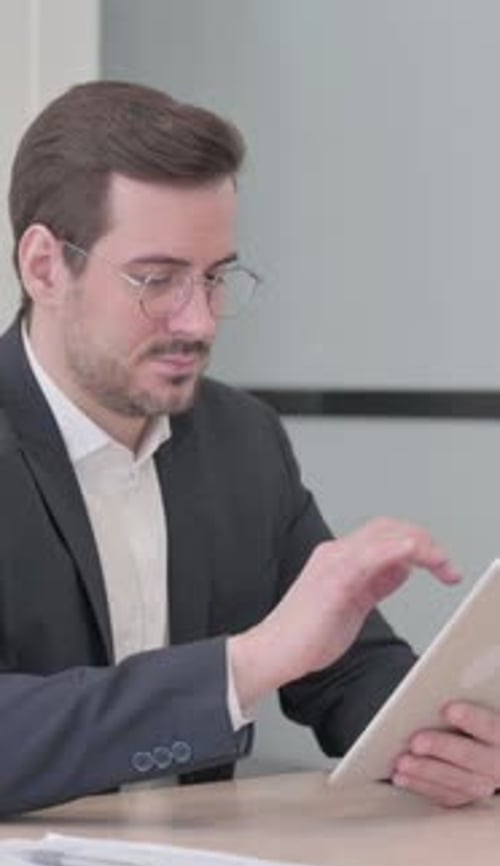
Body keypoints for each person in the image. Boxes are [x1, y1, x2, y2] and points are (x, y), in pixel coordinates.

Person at [0, 80, 497, 818]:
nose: (199, 321)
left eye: (216, 277)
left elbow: (343, 668)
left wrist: (449, 738)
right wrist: (249, 661)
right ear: (45, 267)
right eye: (158, 279)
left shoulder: (241, 439)